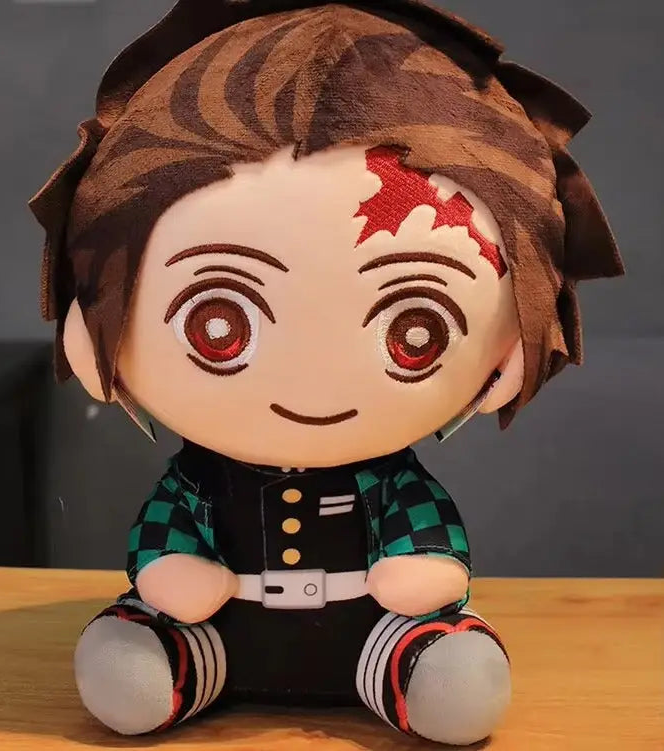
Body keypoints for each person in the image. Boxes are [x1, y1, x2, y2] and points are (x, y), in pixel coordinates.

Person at [30, 1, 622, 744]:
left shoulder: (391, 485)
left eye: (414, 332)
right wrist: (170, 570)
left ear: (511, 353)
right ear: (93, 337)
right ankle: (167, 665)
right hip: (218, 630)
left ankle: (419, 673)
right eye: (220, 325)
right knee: (132, 663)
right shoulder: (199, 483)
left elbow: (426, 537)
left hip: (372, 630)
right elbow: (165, 530)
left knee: (452, 680)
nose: (311, 385)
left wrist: (425, 569)